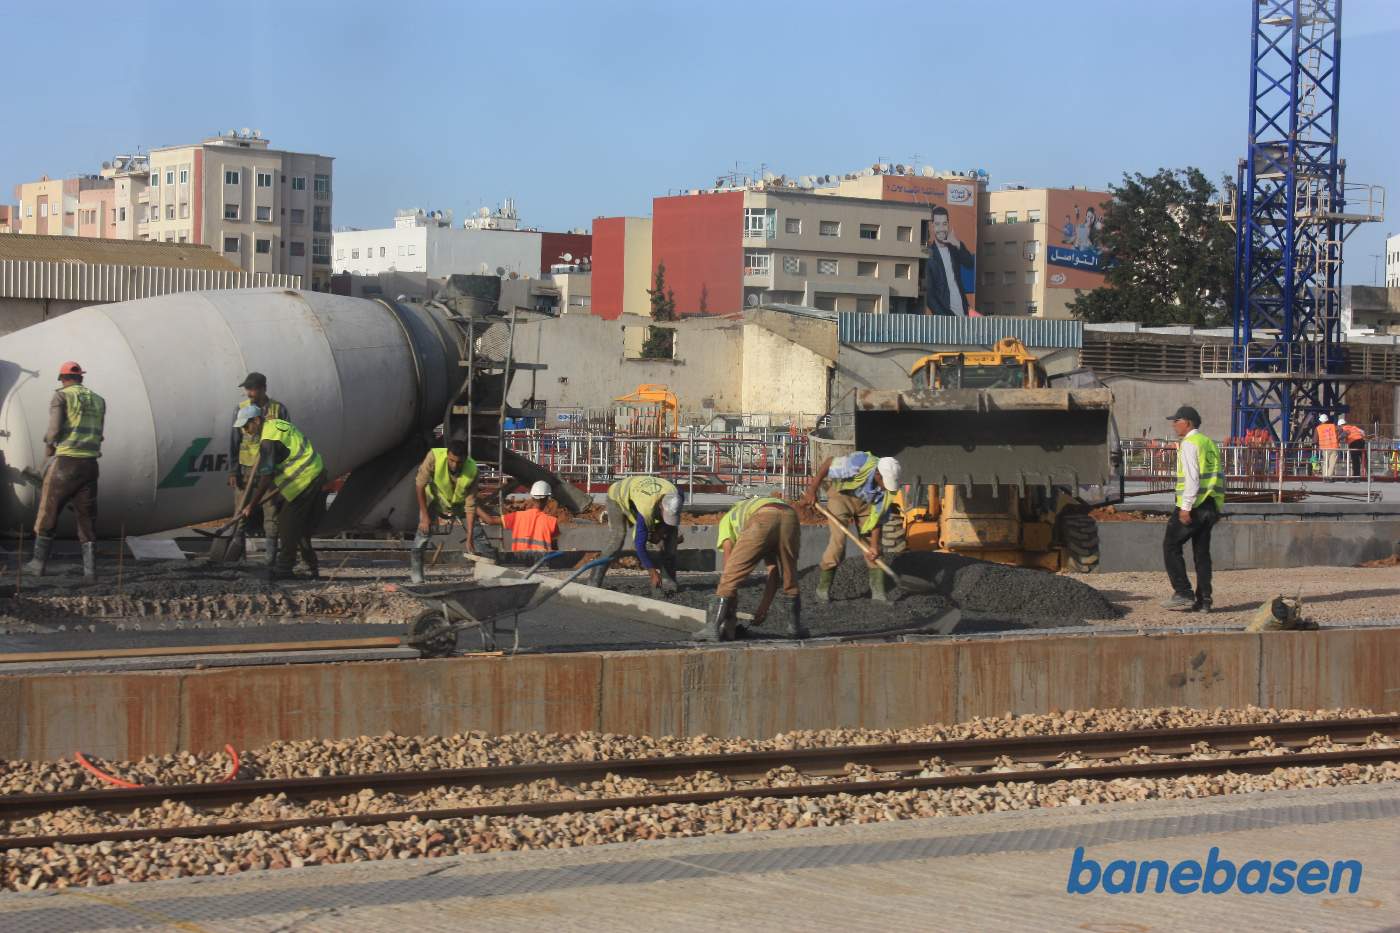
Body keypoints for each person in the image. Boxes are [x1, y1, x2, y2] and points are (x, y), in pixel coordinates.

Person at [24, 361, 106, 581]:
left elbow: (54, 429)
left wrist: (50, 444)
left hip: (66, 464)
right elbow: (99, 433)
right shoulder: (99, 401)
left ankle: (37, 564)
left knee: (48, 512)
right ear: (81, 378)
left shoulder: (61, 396)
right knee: (86, 518)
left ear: (63, 379)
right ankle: (90, 572)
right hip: (90, 466)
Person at [234, 405, 326, 582]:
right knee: (300, 526)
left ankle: (285, 567)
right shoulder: (276, 424)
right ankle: (309, 566)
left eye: (247, 426)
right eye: (242, 428)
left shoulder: (268, 440)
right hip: (315, 471)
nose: (245, 431)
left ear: (257, 420)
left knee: (287, 524)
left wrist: (251, 505)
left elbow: (266, 477)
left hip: (304, 478)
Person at [800, 451, 902, 603]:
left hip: (867, 505)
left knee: (874, 549)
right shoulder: (859, 462)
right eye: (885, 483)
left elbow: (877, 518)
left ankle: (879, 594)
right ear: (878, 475)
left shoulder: (887, 491)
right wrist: (812, 489)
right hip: (842, 497)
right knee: (838, 542)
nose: (886, 488)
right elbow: (829, 462)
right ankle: (822, 590)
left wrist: (873, 546)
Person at [707, 495, 803, 641]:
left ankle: (711, 628)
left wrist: (731, 608)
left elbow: (729, 568)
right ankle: (794, 628)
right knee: (790, 576)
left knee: (728, 579)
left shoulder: (727, 519)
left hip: (763, 517)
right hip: (790, 515)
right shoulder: (750, 507)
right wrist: (763, 609)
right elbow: (774, 572)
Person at [1161, 406, 1224, 613]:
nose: (1173, 425)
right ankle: (1204, 600)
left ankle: (1183, 592)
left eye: (1176, 421)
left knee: (1170, 545)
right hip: (1211, 506)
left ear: (1187, 422)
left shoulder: (1189, 444)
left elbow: (1192, 478)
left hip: (1194, 506)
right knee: (1201, 554)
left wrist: (1185, 507)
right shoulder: (1209, 443)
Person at [408, 439, 497, 583]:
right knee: (422, 534)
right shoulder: (434, 457)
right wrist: (425, 516)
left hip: (458, 502)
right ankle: (417, 572)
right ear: (448, 455)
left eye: (459, 462)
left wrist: (469, 537)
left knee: (477, 535)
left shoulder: (472, 470)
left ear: (465, 459)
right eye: (452, 460)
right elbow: (420, 485)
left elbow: (470, 504)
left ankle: (492, 571)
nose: (455, 465)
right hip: (435, 498)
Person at [228, 372, 288, 564]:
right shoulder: (241, 409)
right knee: (240, 513)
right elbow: (234, 441)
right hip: (246, 470)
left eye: (252, 389)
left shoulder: (278, 410)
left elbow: (286, 440)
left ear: (263, 389)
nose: (249, 393)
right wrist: (232, 470)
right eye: (247, 389)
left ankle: (270, 559)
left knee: (270, 513)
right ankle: (238, 558)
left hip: (269, 471)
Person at [591, 475, 683, 592]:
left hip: (638, 495)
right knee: (618, 538)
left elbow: (670, 524)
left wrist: (661, 532)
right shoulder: (646, 508)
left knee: (671, 533)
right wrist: (652, 571)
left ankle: (668, 580)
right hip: (617, 496)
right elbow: (639, 544)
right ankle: (594, 580)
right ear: (660, 507)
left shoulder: (677, 496)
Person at [921, 206, 976, 316]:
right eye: (937, 224)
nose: (941, 228)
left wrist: (957, 243)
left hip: (963, 312)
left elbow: (970, 263)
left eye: (944, 224)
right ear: (932, 227)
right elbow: (929, 296)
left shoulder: (955, 248)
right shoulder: (928, 255)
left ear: (948, 225)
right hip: (945, 318)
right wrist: (946, 318)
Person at [501, 481, 561, 553]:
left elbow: (490, 520)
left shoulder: (517, 516)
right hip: (542, 562)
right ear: (547, 499)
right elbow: (554, 546)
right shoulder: (552, 521)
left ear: (532, 497)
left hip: (518, 561)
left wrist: (482, 509)